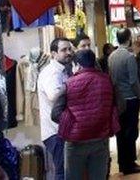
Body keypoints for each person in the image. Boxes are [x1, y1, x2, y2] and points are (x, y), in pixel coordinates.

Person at [51, 49, 119, 180]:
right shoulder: (107, 80)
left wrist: (73, 124)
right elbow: (119, 106)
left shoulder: (69, 84)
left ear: (78, 65)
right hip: (101, 138)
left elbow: (55, 114)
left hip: (76, 142)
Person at [109, 28, 140, 175]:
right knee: (131, 132)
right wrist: (139, 96)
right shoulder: (130, 57)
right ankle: (130, 163)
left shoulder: (112, 56)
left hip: (118, 99)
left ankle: (122, 163)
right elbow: (133, 80)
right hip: (130, 99)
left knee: (121, 132)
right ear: (129, 38)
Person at [38, 38, 74, 180]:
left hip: (62, 129)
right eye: (63, 50)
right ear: (53, 53)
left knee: (67, 170)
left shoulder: (64, 70)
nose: (68, 53)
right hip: (55, 131)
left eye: (69, 49)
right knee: (62, 171)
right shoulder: (51, 73)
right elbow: (53, 95)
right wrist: (69, 85)